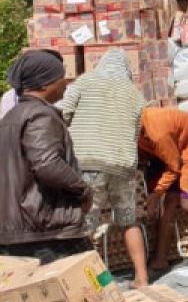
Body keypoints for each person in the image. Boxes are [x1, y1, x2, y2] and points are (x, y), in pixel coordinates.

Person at [0, 49, 93, 264]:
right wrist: (83, 190)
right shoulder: (41, 115)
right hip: (46, 232)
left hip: (17, 231)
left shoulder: (8, 119)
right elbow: (47, 165)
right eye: (61, 77)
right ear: (45, 83)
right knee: (87, 291)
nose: (66, 83)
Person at [60, 49, 149, 285]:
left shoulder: (85, 81)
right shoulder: (135, 94)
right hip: (123, 166)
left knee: (85, 224)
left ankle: (86, 283)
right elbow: (135, 132)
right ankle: (141, 277)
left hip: (89, 162)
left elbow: (63, 113)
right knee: (129, 220)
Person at [138, 107, 188, 270]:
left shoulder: (157, 134)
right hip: (176, 149)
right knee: (169, 204)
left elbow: (174, 167)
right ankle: (161, 259)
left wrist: (156, 193)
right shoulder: (139, 128)